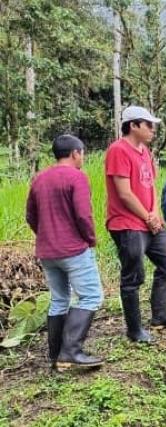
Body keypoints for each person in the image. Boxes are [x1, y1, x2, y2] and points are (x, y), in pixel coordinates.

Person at [105, 106, 166, 344]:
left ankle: (160, 315)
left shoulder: (145, 152)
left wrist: (155, 215)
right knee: (133, 275)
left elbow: (150, 186)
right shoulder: (118, 150)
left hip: (150, 221)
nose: (153, 129)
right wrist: (146, 216)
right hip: (127, 223)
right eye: (148, 125)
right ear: (133, 126)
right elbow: (124, 193)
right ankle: (134, 329)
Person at [26, 135, 104, 370]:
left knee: (59, 299)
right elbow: (83, 214)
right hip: (72, 249)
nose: (83, 158)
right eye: (82, 153)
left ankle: (56, 354)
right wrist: (90, 238)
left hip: (47, 251)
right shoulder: (76, 177)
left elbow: (30, 216)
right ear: (75, 153)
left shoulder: (39, 179)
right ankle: (71, 351)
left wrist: (46, 234)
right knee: (91, 296)